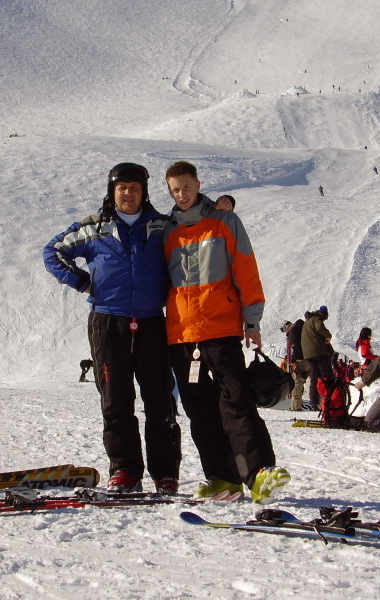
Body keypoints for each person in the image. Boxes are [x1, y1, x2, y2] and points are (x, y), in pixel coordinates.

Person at [44, 162, 182, 494]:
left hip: (152, 322)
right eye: (122, 188)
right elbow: (53, 251)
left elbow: (194, 229)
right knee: (115, 400)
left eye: (134, 188)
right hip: (108, 322)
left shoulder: (162, 226)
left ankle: (165, 474)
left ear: (143, 192)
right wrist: (81, 282)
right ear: (112, 191)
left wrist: (222, 206)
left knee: (160, 400)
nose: (128, 194)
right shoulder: (95, 227)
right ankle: (124, 471)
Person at [163, 160, 289, 503]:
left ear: (198, 184)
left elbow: (246, 269)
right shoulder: (166, 231)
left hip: (220, 330)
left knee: (236, 402)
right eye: (175, 190)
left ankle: (260, 474)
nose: (182, 194)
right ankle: (222, 480)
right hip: (182, 336)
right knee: (200, 411)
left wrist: (252, 321)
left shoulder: (224, 221)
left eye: (187, 187)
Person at [301, 306, 333, 410]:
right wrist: (328, 335)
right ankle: (329, 400)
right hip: (318, 352)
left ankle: (314, 402)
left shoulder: (308, 321)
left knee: (315, 378)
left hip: (308, 354)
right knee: (327, 376)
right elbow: (319, 328)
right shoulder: (317, 319)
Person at [281, 319, 308, 410]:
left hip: (300, 360)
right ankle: (318, 404)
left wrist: (293, 358)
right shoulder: (300, 331)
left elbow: (296, 348)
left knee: (297, 382)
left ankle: (295, 406)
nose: (284, 332)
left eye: (283, 329)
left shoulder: (293, 333)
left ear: (287, 326)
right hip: (309, 358)